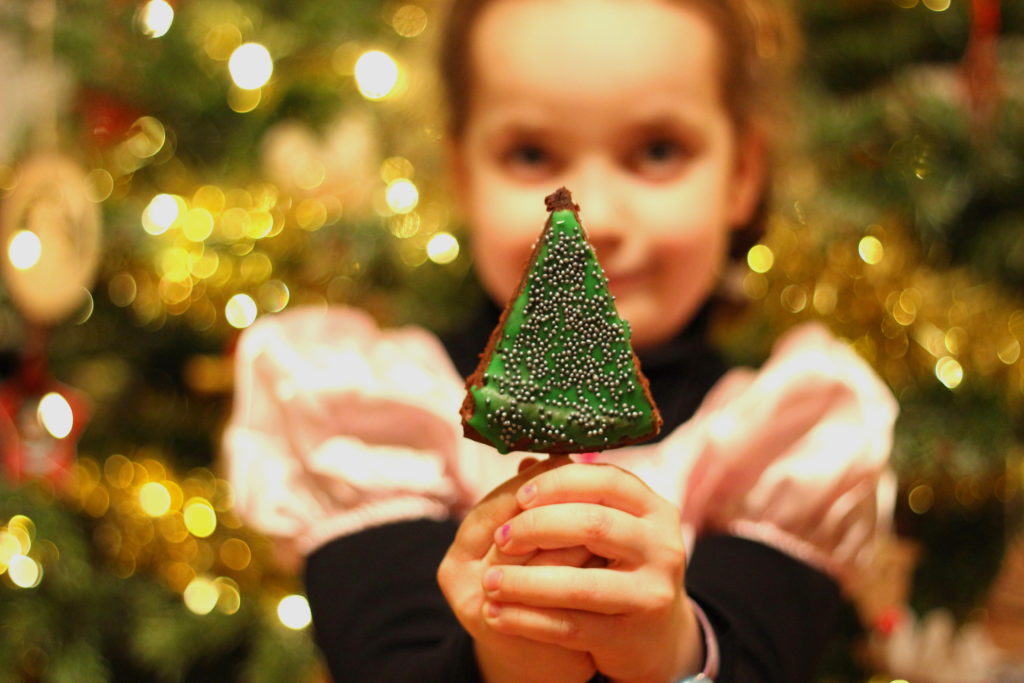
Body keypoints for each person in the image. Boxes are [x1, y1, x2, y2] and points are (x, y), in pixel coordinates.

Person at [223, 0, 898, 680]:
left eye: (659, 151)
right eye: (531, 154)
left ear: (743, 173)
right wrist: (504, 653)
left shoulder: (782, 441)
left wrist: (671, 647)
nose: (595, 214)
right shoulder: (372, 416)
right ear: (462, 173)